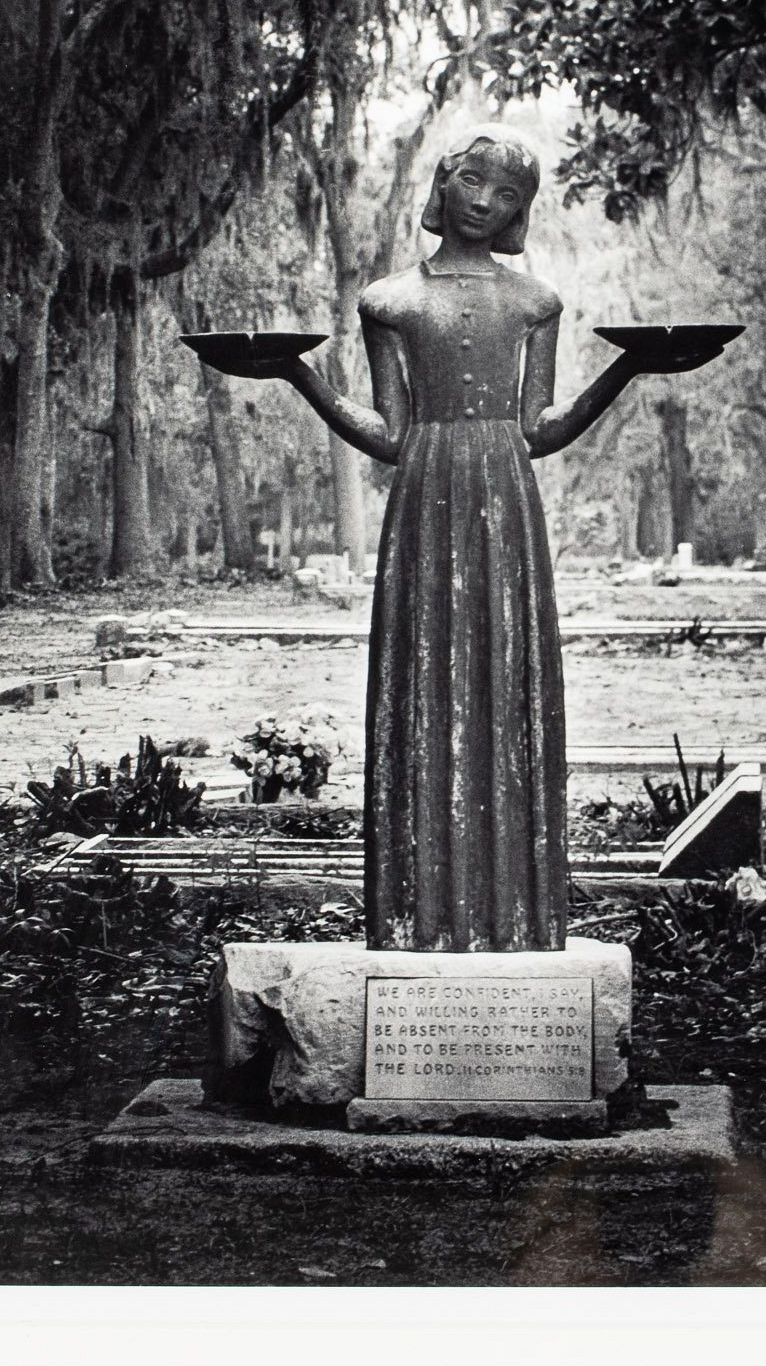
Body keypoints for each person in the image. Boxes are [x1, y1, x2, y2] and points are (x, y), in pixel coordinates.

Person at [268, 130, 642, 951]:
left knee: (508, 675)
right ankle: (415, 914)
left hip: (505, 493)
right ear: (446, 182)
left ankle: (519, 909)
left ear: (518, 211)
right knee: (420, 672)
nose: (485, 201)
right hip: (426, 490)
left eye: (506, 194)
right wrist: (303, 378)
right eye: (474, 181)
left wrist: (627, 370)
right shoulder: (389, 301)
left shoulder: (534, 302)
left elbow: (539, 428)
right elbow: (392, 433)